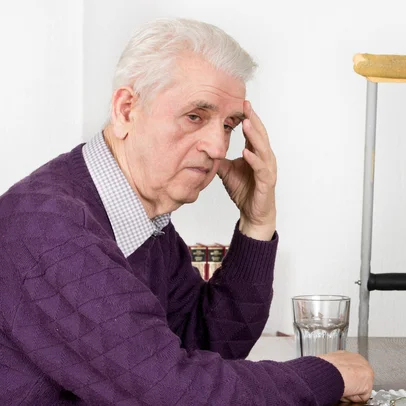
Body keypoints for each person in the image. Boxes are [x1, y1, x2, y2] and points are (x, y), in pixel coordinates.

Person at [0, 17, 373, 405]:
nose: (217, 146)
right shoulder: (52, 228)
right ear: (126, 109)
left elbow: (209, 344)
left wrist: (256, 225)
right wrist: (325, 376)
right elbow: (175, 393)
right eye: (196, 116)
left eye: (229, 125)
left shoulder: (142, 220)